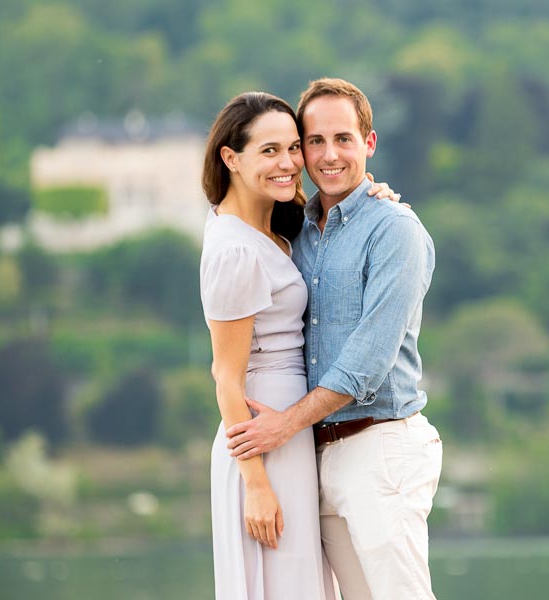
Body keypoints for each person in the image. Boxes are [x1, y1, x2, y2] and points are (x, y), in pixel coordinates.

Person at [225, 78, 442, 600]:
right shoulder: (295, 229)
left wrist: (284, 426)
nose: (328, 155)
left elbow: (367, 361)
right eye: (314, 141)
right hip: (317, 457)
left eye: (343, 139)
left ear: (369, 144)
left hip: (380, 447)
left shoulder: (395, 230)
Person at [199, 91, 399, 600]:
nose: (289, 163)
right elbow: (226, 375)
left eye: (293, 148)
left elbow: (328, 220)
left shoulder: (274, 228)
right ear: (230, 157)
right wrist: (256, 484)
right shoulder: (236, 250)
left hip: (290, 434)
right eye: (269, 151)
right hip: (262, 440)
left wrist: (365, 195)